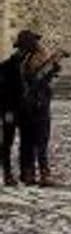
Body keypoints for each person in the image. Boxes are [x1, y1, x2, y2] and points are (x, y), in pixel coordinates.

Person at [17, 30, 64, 187]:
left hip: (29, 105)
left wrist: (53, 65)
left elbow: (44, 75)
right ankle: (42, 174)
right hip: (37, 104)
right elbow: (39, 79)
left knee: (30, 142)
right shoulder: (29, 62)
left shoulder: (24, 61)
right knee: (40, 141)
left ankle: (29, 173)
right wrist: (52, 65)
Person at [0, 36, 25, 186]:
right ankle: (7, 172)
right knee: (7, 142)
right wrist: (6, 110)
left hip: (25, 110)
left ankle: (25, 172)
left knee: (27, 142)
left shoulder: (29, 65)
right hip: (10, 110)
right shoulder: (7, 66)